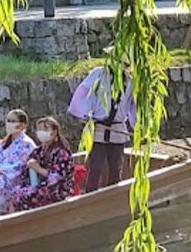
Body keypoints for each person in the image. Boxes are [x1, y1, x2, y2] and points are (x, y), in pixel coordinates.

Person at [68, 63, 136, 192]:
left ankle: (112, 196)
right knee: (96, 166)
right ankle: (90, 195)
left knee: (116, 167)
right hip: (99, 126)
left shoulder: (129, 80)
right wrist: (84, 113)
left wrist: (137, 125)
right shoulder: (99, 73)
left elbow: (133, 104)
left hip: (117, 129)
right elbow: (84, 91)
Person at [0, 108, 36, 214]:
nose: (9, 124)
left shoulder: (27, 144)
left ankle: (0, 210)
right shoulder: (4, 142)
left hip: (15, 177)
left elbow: (20, 165)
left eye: (13, 121)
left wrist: (1, 171)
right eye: (8, 121)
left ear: (22, 125)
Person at [13, 117, 74, 211]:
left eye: (45, 129)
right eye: (39, 129)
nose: (41, 132)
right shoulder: (38, 151)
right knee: (17, 192)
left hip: (57, 188)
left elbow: (58, 178)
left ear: (54, 132)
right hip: (39, 184)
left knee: (29, 196)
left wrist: (38, 169)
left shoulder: (62, 153)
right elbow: (26, 169)